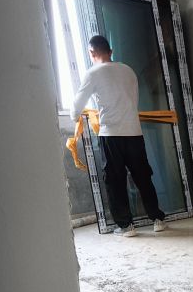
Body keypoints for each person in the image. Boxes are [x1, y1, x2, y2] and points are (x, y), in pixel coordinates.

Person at [70, 35, 166, 237]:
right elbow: (132, 101)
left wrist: (77, 116)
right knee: (143, 177)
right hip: (134, 132)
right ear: (110, 51)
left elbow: (75, 109)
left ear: (91, 53)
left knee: (115, 181)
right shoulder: (128, 70)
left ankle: (126, 226)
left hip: (111, 135)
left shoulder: (92, 74)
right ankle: (157, 219)